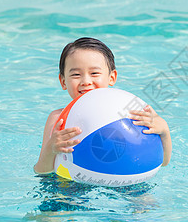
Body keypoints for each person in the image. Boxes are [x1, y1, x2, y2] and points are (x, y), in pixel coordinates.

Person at [34, 37, 172, 175]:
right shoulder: (58, 118)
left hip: (126, 180)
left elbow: (162, 162)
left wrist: (164, 131)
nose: (86, 81)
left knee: (144, 198)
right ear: (63, 81)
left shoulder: (131, 113)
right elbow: (41, 171)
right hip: (71, 183)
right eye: (76, 74)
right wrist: (51, 148)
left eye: (94, 73)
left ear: (112, 77)